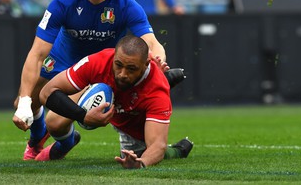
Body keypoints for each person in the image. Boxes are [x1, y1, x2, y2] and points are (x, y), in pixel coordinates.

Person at [12, 0, 183, 161]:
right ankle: (37, 141)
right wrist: (27, 101)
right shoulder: (64, 0)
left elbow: (152, 44)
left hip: (100, 69)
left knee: (55, 120)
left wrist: (157, 63)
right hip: (63, 60)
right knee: (22, 102)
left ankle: (63, 142)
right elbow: (37, 54)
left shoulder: (126, 4)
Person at [37, 35, 193, 168]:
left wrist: (141, 163)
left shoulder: (157, 91)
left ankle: (178, 150)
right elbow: (46, 93)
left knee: (137, 155)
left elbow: (157, 146)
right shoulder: (100, 60)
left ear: (146, 64)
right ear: (114, 56)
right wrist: (82, 116)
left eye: (131, 68)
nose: (122, 74)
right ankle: (65, 144)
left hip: (131, 118)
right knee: (53, 122)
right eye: (118, 65)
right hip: (103, 94)